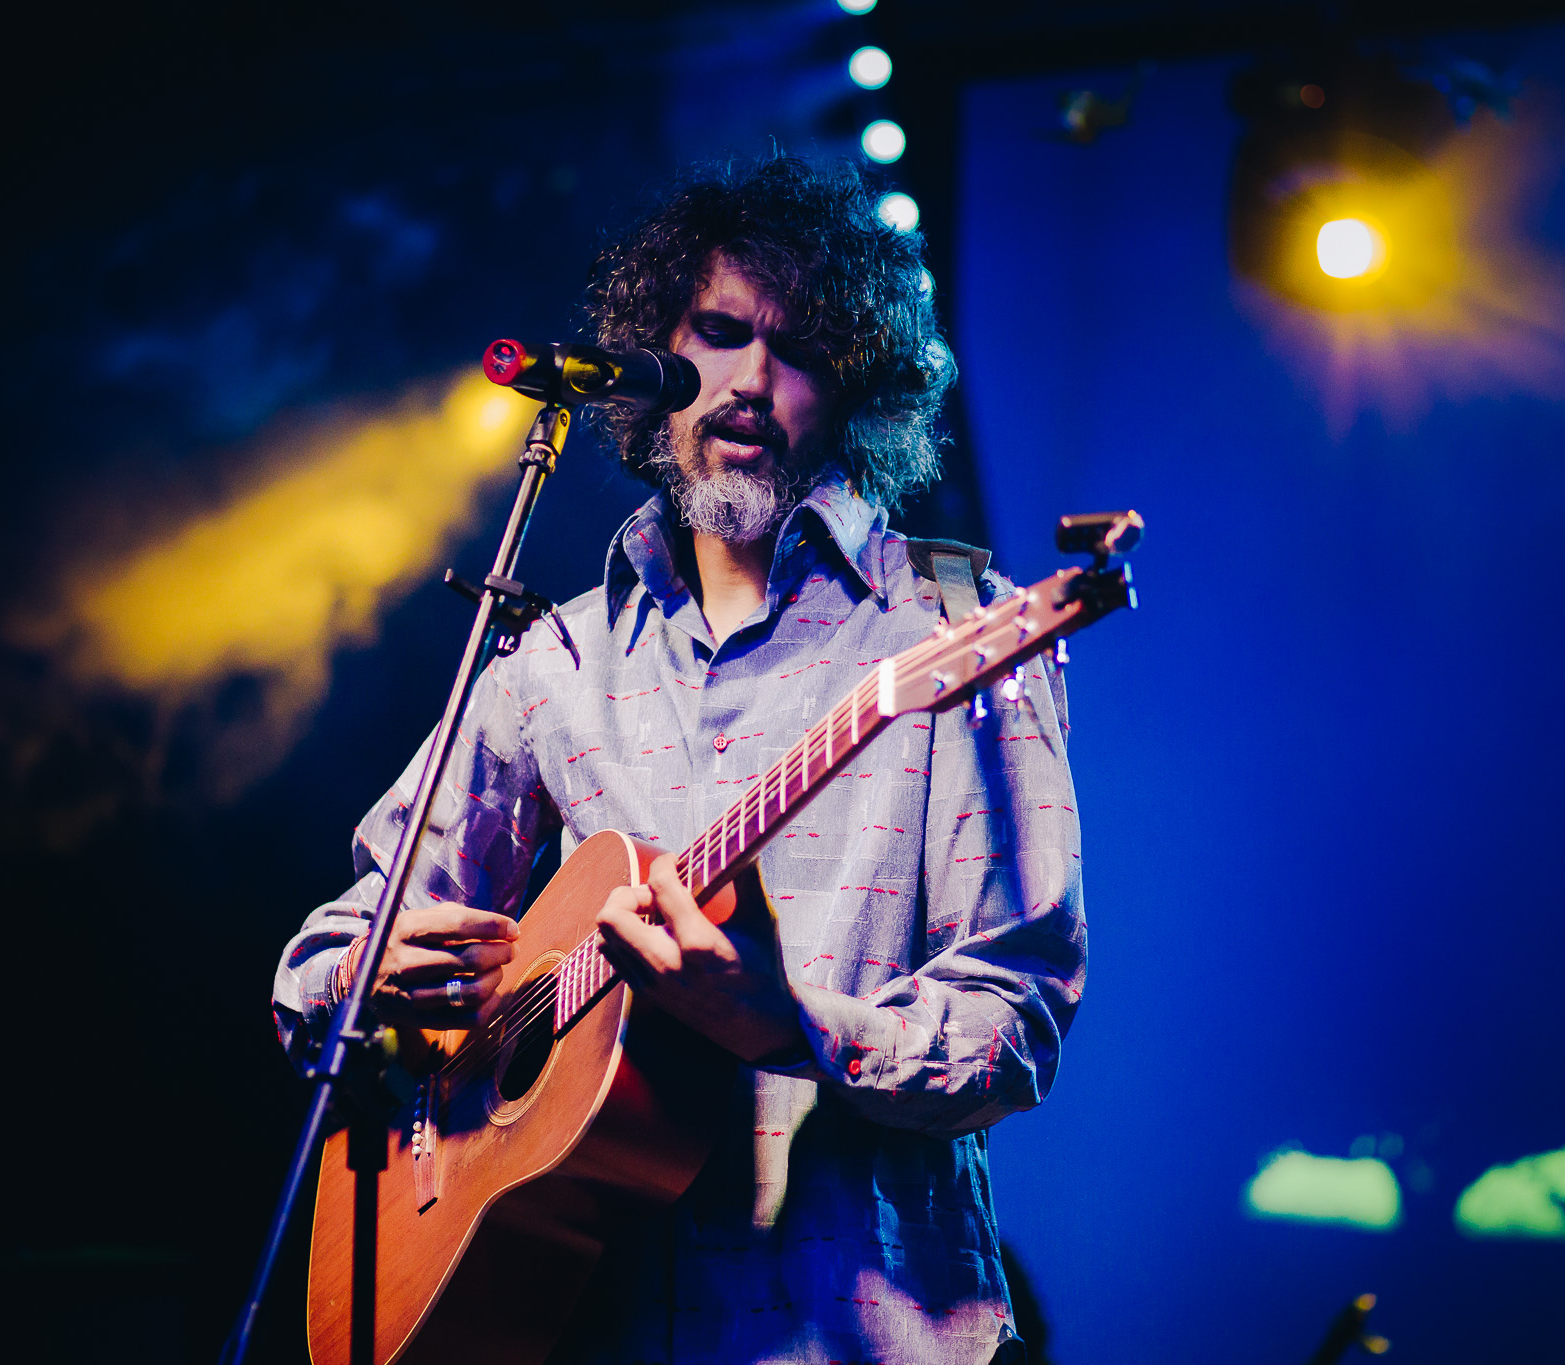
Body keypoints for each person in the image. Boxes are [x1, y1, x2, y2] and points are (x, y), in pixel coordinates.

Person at [273, 154, 1087, 1365]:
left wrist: (790, 1025)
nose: (750, 381)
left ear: (856, 387)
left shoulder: (953, 629)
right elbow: (328, 954)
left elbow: (1013, 1021)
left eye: (800, 349)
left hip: (857, 1335)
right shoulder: (556, 660)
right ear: (653, 352)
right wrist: (365, 972)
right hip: (580, 1325)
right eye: (717, 333)